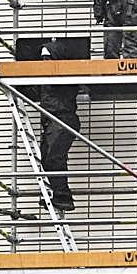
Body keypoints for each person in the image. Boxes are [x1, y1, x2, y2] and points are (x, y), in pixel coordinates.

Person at [37, 40, 79, 211]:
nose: (45, 63)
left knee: (54, 157)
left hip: (62, 120)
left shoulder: (63, 76)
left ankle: (62, 197)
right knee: (48, 158)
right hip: (54, 121)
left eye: (48, 58)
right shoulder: (46, 79)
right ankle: (60, 195)